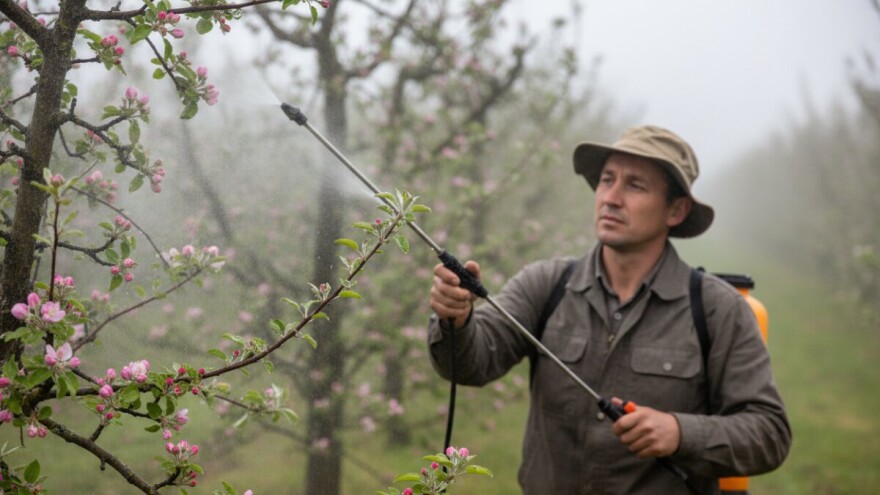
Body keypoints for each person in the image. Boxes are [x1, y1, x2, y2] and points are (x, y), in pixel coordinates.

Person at [426, 125, 791, 494]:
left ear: (676, 210)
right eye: (606, 180)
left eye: (635, 185)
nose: (611, 197)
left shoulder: (718, 310)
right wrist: (457, 319)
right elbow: (473, 362)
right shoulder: (546, 284)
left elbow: (769, 433)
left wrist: (680, 432)